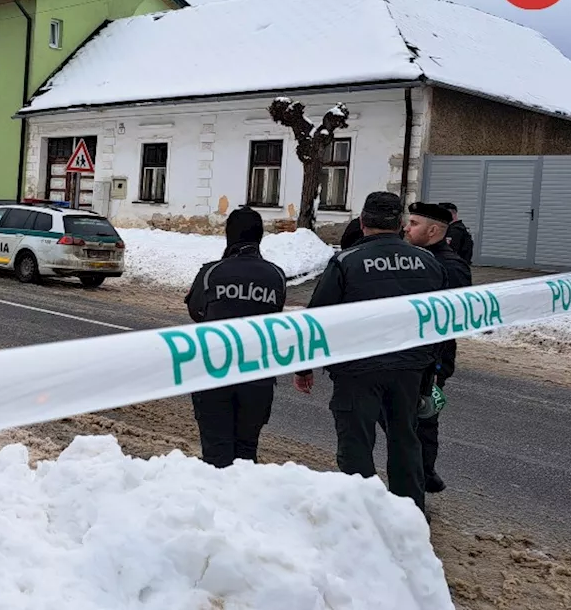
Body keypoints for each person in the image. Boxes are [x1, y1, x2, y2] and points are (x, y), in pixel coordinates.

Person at [295, 191, 446, 512]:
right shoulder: (428, 262)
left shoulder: (346, 262)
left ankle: (362, 517)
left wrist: (304, 367)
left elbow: (316, 319)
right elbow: (439, 321)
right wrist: (431, 369)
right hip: (409, 369)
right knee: (404, 440)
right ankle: (410, 517)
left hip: (357, 370)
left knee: (356, 443)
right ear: (401, 224)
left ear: (362, 222)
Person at [183, 207, 288, 468]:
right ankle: (241, 504)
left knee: (216, 454)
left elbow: (196, 312)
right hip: (257, 377)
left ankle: (219, 505)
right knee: (246, 453)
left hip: (213, 374)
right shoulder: (276, 276)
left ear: (229, 235)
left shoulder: (211, 273)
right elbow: (275, 313)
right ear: (260, 237)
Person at [403, 202, 473, 494]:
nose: (407, 228)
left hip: (432, 360)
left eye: (414, 223)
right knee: (411, 422)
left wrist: (435, 365)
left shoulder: (450, 266)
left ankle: (422, 478)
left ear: (433, 230)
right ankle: (424, 474)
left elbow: (450, 320)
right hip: (415, 355)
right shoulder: (419, 258)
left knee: (423, 422)